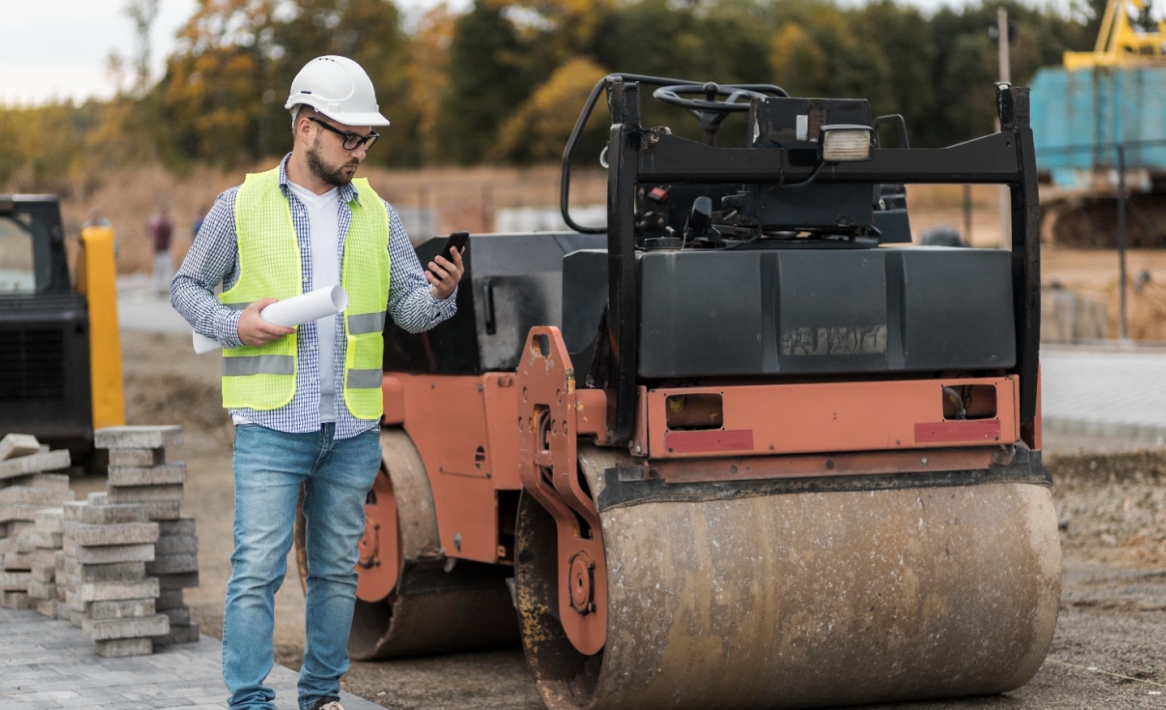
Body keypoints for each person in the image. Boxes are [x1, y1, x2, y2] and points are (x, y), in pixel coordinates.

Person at [170, 56, 465, 710]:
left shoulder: (378, 214)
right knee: (256, 574)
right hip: (271, 425)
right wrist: (230, 323)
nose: (361, 151)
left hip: (352, 428)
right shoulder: (239, 205)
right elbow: (184, 287)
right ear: (306, 127)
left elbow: (406, 309)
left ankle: (322, 696)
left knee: (336, 573)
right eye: (349, 137)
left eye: (368, 139)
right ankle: (249, 702)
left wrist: (441, 295)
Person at [147, 205, 174, 294]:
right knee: (161, 270)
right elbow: (168, 231)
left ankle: (164, 287)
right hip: (160, 250)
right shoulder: (159, 223)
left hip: (163, 250)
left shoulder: (156, 223)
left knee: (166, 270)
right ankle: (158, 288)